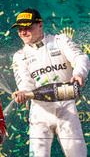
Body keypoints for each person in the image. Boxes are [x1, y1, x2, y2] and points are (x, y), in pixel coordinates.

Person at [11, 8, 89, 157]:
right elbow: (26, 85)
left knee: (77, 154)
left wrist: (79, 73)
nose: (23, 32)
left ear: (40, 24)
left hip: (66, 108)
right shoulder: (19, 56)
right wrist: (23, 93)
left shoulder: (60, 41)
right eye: (20, 29)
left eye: (27, 27)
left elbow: (81, 58)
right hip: (39, 113)